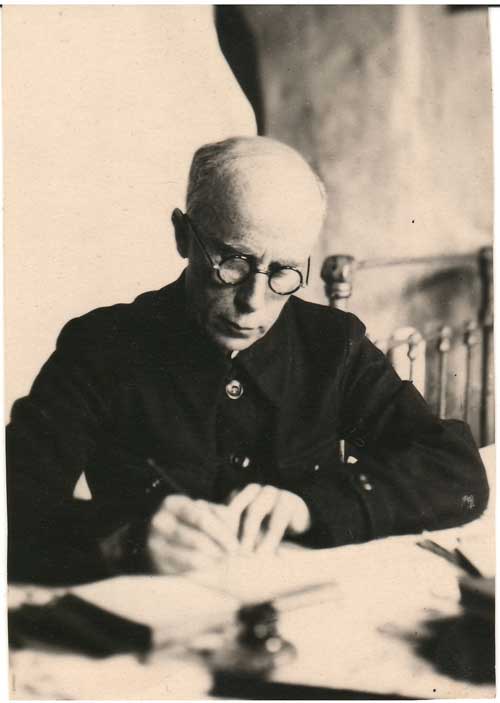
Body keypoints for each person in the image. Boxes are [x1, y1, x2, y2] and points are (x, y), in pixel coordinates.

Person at [7, 136, 488, 585]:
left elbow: (456, 472)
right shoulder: (101, 347)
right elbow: (15, 500)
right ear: (183, 235)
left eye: (283, 271)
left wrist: (310, 507)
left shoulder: (331, 344)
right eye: (233, 262)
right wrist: (129, 538)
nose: (253, 303)